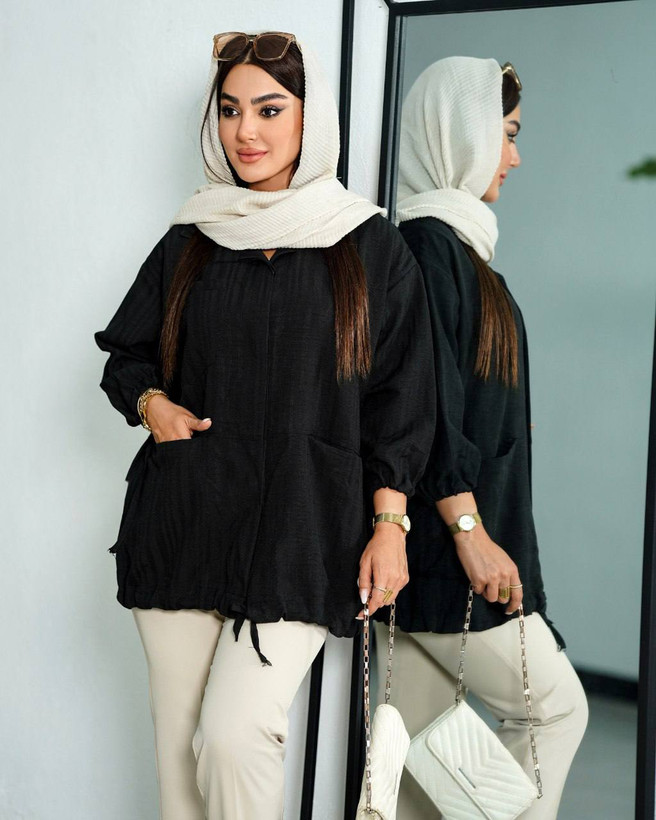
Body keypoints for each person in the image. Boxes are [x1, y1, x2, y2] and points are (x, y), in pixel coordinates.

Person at [95, 32, 435, 820]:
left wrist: (390, 525)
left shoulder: (367, 243)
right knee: (180, 767)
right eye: (229, 110)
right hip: (184, 521)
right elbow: (126, 356)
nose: (245, 131)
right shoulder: (193, 236)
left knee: (235, 735)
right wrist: (152, 406)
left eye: (269, 109)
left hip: (303, 531)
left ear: (311, 119)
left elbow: (403, 397)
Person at [376, 57, 588, 819]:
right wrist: (470, 531)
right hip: (448, 555)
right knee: (556, 712)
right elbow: (427, 407)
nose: (515, 158)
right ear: (460, 133)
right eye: (508, 134)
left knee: (420, 778)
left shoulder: (457, 250)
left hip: (439, 558)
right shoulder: (429, 249)